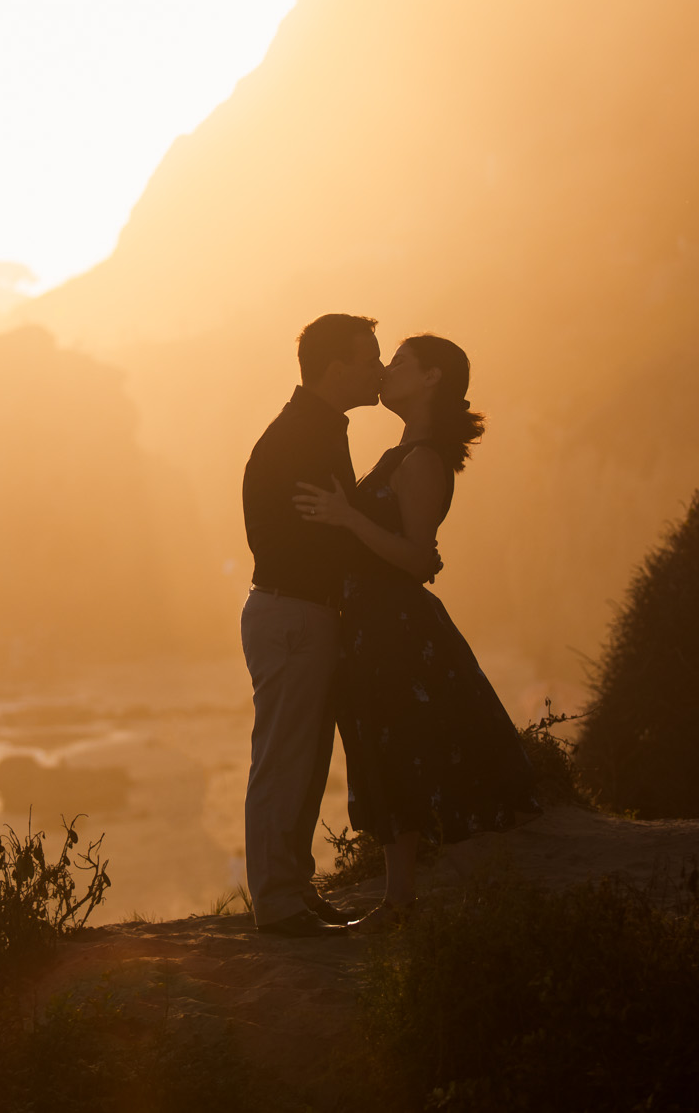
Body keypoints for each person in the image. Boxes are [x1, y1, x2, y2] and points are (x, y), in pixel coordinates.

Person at [294, 334, 537, 930]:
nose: (386, 371)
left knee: (408, 750)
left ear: (432, 379)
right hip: (371, 626)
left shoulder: (423, 458)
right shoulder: (401, 450)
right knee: (388, 752)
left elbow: (419, 559)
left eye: (399, 362)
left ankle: (420, 899)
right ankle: (400, 899)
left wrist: (347, 517)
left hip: (399, 630)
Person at [239, 313, 383, 936]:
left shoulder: (316, 427)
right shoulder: (304, 436)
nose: (379, 369)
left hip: (298, 611)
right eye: (371, 357)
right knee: (285, 760)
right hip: (294, 611)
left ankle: (293, 890)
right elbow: (317, 538)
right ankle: (278, 902)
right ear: (337, 369)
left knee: (303, 759)